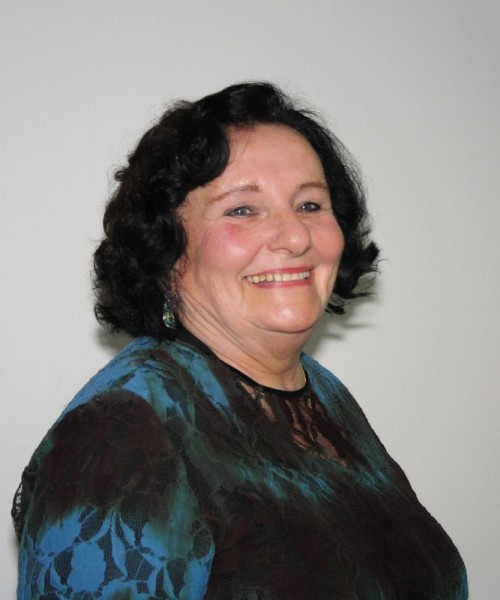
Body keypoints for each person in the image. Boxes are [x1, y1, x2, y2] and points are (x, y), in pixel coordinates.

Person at [12, 82, 468, 599]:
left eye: (311, 204)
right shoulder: (121, 433)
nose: (296, 236)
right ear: (167, 250)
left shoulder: (321, 394)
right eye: (243, 210)